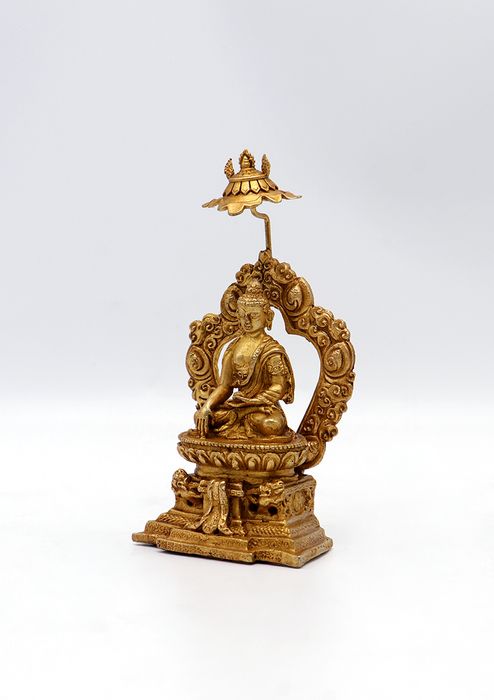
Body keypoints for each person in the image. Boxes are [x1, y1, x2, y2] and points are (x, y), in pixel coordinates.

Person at [194, 279, 294, 440]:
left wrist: (253, 402)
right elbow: (225, 386)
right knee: (204, 417)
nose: (247, 321)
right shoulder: (233, 347)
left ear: (268, 316)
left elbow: (278, 387)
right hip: (239, 405)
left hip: (262, 409)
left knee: (271, 424)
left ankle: (243, 421)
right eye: (242, 315)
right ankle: (237, 419)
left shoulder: (271, 350)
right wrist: (207, 406)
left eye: (254, 315)